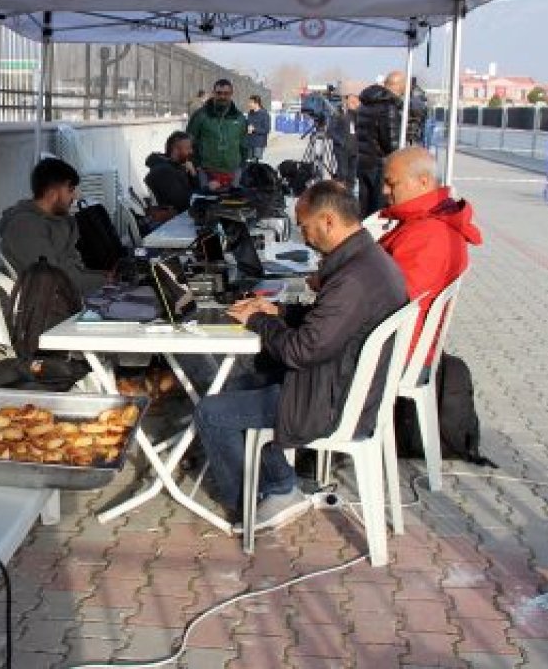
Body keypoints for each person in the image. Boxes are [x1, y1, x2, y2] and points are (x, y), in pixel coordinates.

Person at [192, 181, 407, 529]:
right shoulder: (368, 260)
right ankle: (278, 484)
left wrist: (259, 320)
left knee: (211, 412)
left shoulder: (353, 279)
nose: (304, 236)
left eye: (305, 226)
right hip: (339, 385)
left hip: (331, 400)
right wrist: (279, 313)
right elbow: (327, 326)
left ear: (327, 221)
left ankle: (256, 502)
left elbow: (300, 350)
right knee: (241, 382)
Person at [378, 147, 482, 366]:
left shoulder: (429, 234)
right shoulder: (422, 224)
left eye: (391, 183)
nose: (385, 191)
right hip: (399, 341)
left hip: (396, 350)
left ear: (423, 182)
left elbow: (392, 299)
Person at [0, 157, 107, 295]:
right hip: (59, 305)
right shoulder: (25, 227)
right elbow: (53, 280)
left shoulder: (57, 220)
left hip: (76, 290)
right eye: (70, 189)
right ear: (52, 193)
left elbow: (72, 268)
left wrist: (104, 276)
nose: (75, 196)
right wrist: (106, 282)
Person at [355, 71, 406, 217]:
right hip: (379, 166)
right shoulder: (388, 107)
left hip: (364, 162)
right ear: (399, 86)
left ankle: (364, 237)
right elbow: (391, 145)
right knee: (379, 211)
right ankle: (376, 239)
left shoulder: (365, 104)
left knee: (364, 208)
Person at [186, 79, 247, 191]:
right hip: (207, 172)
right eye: (219, 93)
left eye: (226, 93)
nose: (222, 97)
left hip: (233, 173)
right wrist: (193, 163)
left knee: (232, 206)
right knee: (208, 205)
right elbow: (189, 140)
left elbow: (244, 144)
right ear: (213, 93)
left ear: (231, 94)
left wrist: (242, 166)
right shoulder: (200, 115)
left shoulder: (239, 118)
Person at [143, 131, 199, 213]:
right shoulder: (164, 171)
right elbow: (182, 203)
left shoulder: (176, 166)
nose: (191, 151)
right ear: (175, 150)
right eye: (187, 148)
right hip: (173, 220)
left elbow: (190, 193)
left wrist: (193, 174)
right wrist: (206, 191)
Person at [329, 94, 360, 190]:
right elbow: (331, 130)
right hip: (342, 149)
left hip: (355, 149)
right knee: (343, 173)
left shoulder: (357, 115)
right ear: (346, 102)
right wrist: (341, 142)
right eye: (352, 102)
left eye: (356, 102)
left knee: (352, 174)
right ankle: (339, 191)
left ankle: (349, 193)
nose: (355, 104)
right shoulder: (338, 113)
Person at [244, 95, 271, 164]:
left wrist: (254, 129)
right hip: (249, 142)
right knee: (248, 162)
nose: (249, 104)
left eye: (251, 102)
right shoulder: (250, 113)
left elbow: (266, 129)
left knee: (254, 163)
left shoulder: (264, 114)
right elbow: (247, 124)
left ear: (256, 103)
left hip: (258, 143)